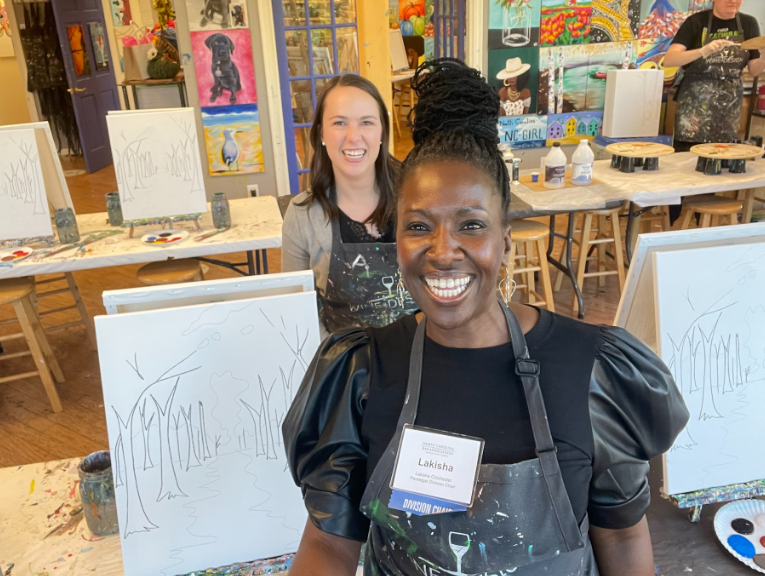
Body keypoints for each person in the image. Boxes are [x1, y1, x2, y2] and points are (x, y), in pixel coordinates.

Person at [283, 59, 689, 576]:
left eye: (470, 225)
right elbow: (330, 547)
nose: (443, 250)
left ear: (505, 243)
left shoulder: (592, 371)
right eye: (418, 226)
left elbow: (626, 541)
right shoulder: (362, 375)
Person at [281, 74, 411, 336]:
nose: (354, 136)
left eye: (366, 122)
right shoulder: (302, 215)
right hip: (344, 369)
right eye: (340, 123)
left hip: (420, 364)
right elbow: (294, 310)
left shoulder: (418, 199)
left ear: (382, 132)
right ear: (321, 134)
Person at [662, 0, 765, 149]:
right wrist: (702, 51)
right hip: (695, 105)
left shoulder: (749, 24)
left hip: (728, 106)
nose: (734, 0)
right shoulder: (696, 22)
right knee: (687, 161)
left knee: (721, 157)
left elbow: (754, 70)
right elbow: (669, 60)